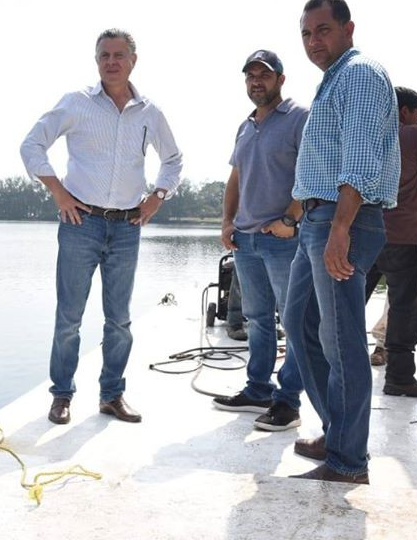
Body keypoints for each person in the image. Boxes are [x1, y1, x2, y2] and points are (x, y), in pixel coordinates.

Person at [19, 28, 183, 425]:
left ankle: (112, 395)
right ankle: (61, 395)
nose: (111, 62)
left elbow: (173, 160)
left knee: (119, 319)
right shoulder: (76, 103)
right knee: (69, 318)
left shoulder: (150, 113)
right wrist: (57, 192)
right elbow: (31, 145)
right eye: (104, 56)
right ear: (97, 62)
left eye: (118, 55)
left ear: (133, 60)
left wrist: (157, 197)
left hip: (127, 226)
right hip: (81, 223)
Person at [284, 0, 400, 485]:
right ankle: (337, 432)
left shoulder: (359, 74)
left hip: (342, 220)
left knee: (342, 341)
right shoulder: (333, 81)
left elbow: (360, 159)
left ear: (348, 29)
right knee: (300, 321)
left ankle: (349, 460)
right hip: (318, 220)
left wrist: (340, 229)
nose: (314, 41)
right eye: (307, 33)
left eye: (323, 30)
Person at [213, 50, 308, 432]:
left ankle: (288, 401)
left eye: (264, 75)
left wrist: (290, 219)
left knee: (294, 320)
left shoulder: (299, 118)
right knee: (256, 319)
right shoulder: (245, 125)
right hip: (247, 240)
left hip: (282, 239)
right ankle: (258, 389)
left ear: (280, 80)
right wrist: (226, 221)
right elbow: (236, 176)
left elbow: (313, 171)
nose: (257, 81)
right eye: (251, 75)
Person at [364, 87, 417, 398]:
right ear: (404, 111)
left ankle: (335, 369)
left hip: (362, 236)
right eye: (416, 113)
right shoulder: (413, 135)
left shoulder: (363, 134)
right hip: (401, 238)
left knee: (347, 303)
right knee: (405, 309)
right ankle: (399, 376)